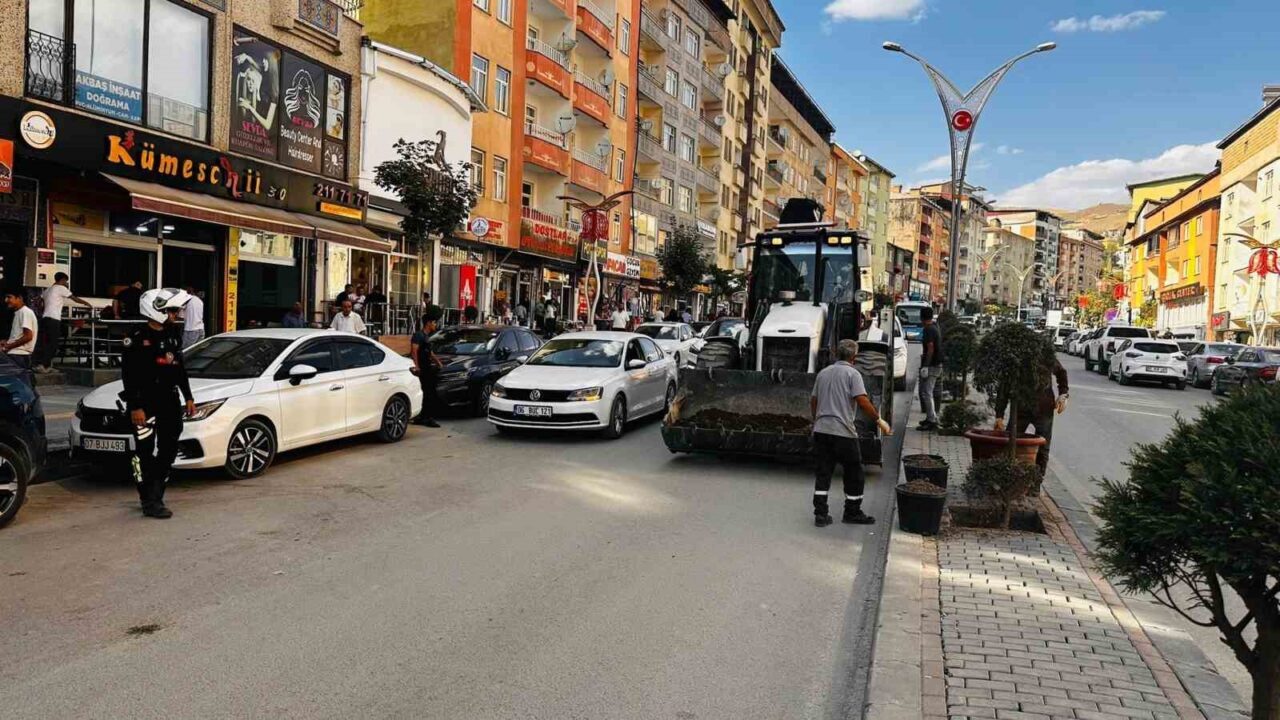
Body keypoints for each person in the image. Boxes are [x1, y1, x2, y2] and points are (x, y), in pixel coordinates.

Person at [121, 288, 196, 519]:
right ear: (156, 310)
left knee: (169, 449)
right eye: (172, 310)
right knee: (143, 453)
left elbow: (179, 367)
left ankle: (157, 495)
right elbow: (128, 375)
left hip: (170, 401)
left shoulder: (173, 333)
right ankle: (147, 499)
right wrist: (135, 406)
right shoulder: (134, 337)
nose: (176, 314)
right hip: (144, 404)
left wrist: (189, 396)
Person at [810, 340, 891, 527]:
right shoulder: (852, 374)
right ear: (854, 357)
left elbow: (814, 400)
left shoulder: (822, 373)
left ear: (836, 354)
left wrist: (816, 421)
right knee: (854, 472)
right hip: (843, 432)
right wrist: (879, 420)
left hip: (822, 430)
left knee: (823, 472)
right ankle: (852, 512)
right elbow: (862, 400)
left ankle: (820, 515)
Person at [993, 354, 1069, 478]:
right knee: (1010, 442)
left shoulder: (1044, 354)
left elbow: (1061, 372)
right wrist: (999, 415)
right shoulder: (1015, 356)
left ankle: (1036, 482)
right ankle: (1008, 476)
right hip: (1021, 409)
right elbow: (1004, 387)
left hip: (1043, 409)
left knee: (1043, 447)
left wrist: (1063, 394)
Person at [34, 272, 92, 372]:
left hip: (45, 318)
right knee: (53, 344)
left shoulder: (47, 290)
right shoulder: (60, 288)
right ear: (63, 280)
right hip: (54, 319)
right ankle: (43, 366)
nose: (67, 283)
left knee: (44, 343)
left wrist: (44, 309)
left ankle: (43, 365)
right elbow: (74, 298)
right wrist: (86, 303)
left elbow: (39, 303)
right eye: (66, 281)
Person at [410, 307, 444, 428]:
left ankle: (424, 416)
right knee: (428, 393)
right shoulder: (418, 335)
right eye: (434, 322)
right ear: (428, 323)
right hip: (423, 368)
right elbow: (414, 351)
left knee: (428, 393)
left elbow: (429, 353)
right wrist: (417, 366)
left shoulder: (426, 337)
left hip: (428, 367)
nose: (435, 325)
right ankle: (428, 418)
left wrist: (438, 362)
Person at [916, 306, 943, 431]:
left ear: (922, 317)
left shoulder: (928, 329)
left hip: (932, 365)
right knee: (926, 392)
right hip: (936, 364)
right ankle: (929, 418)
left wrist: (926, 365)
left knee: (927, 392)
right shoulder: (935, 326)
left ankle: (932, 420)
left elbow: (931, 347)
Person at [2, 290, 39, 379]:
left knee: (20, 385)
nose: (6, 300)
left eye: (9, 297)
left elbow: (28, 336)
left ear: (19, 298)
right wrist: (6, 342)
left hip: (19, 355)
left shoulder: (25, 312)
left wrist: (8, 346)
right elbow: (19, 335)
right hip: (17, 355)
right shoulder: (19, 312)